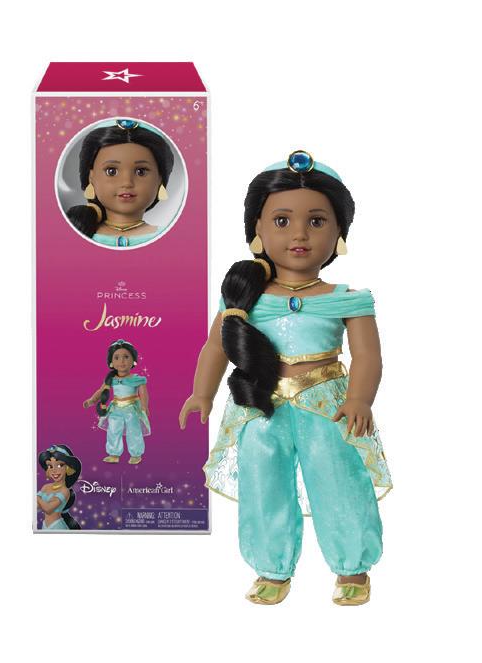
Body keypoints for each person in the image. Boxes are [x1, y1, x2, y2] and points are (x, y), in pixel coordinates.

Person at [179, 150, 392, 605]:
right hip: (259, 405)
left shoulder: (347, 298)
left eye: (317, 221)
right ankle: (271, 567)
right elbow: (216, 346)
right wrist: (202, 392)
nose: (299, 233)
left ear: (340, 233)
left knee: (340, 482)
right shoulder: (242, 298)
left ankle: (352, 566)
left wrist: (359, 399)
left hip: (327, 408)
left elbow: (368, 356)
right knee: (263, 485)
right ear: (256, 230)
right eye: (281, 221)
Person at [67, 119, 174, 247]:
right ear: (91, 177)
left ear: (160, 179)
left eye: (141, 171)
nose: (127, 183)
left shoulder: (172, 239)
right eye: (111, 171)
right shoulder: (76, 232)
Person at [84, 339, 150, 464]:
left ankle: (136, 454)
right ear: (111, 363)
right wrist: (92, 400)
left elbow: (143, 393)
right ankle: (114, 453)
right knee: (113, 430)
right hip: (115, 409)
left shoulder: (137, 379)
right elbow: (101, 391)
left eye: (126, 357)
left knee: (134, 430)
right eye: (117, 358)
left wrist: (144, 406)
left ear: (133, 360)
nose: (122, 361)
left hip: (132, 409)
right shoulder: (111, 379)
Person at [37, 444, 82, 530]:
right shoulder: (45, 487)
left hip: (57, 527)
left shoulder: (65, 491)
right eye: (50, 466)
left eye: (59, 465)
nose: (54, 470)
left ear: (68, 468)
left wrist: (37, 498)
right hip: (45, 527)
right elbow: (36, 507)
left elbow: (48, 509)